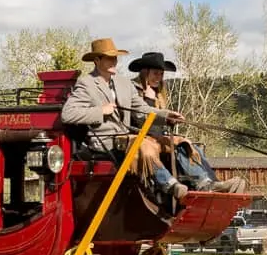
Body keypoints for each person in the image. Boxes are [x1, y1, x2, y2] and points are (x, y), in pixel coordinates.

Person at [61, 38, 191, 201]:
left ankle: (204, 183)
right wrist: (101, 111)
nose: (114, 61)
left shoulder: (123, 83)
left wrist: (165, 116)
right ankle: (169, 185)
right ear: (97, 60)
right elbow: (68, 114)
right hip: (105, 143)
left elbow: (141, 110)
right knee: (142, 144)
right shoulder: (86, 84)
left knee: (178, 142)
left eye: (115, 57)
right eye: (109, 57)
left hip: (126, 138)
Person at [128, 51, 246, 194]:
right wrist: (152, 101)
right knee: (173, 147)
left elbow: (160, 120)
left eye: (161, 74)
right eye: (155, 74)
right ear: (145, 72)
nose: (158, 78)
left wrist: (170, 120)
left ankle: (211, 183)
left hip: (159, 136)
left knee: (190, 146)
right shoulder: (132, 89)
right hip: (141, 137)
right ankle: (194, 185)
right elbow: (140, 117)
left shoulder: (158, 92)